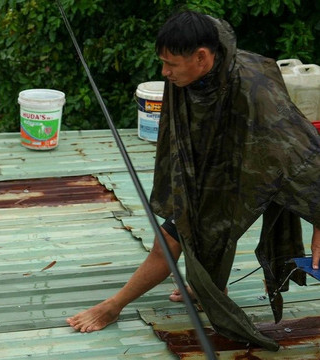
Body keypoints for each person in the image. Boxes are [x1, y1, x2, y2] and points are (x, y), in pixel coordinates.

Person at [67, 10, 320, 351]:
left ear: (202, 57)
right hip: (209, 164)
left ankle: (113, 306)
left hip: (256, 165)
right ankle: (211, 288)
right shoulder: (191, 77)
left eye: (171, 64)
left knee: (170, 240)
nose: (164, 72)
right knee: (203, 230)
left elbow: (305, 154)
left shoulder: (256, 91)